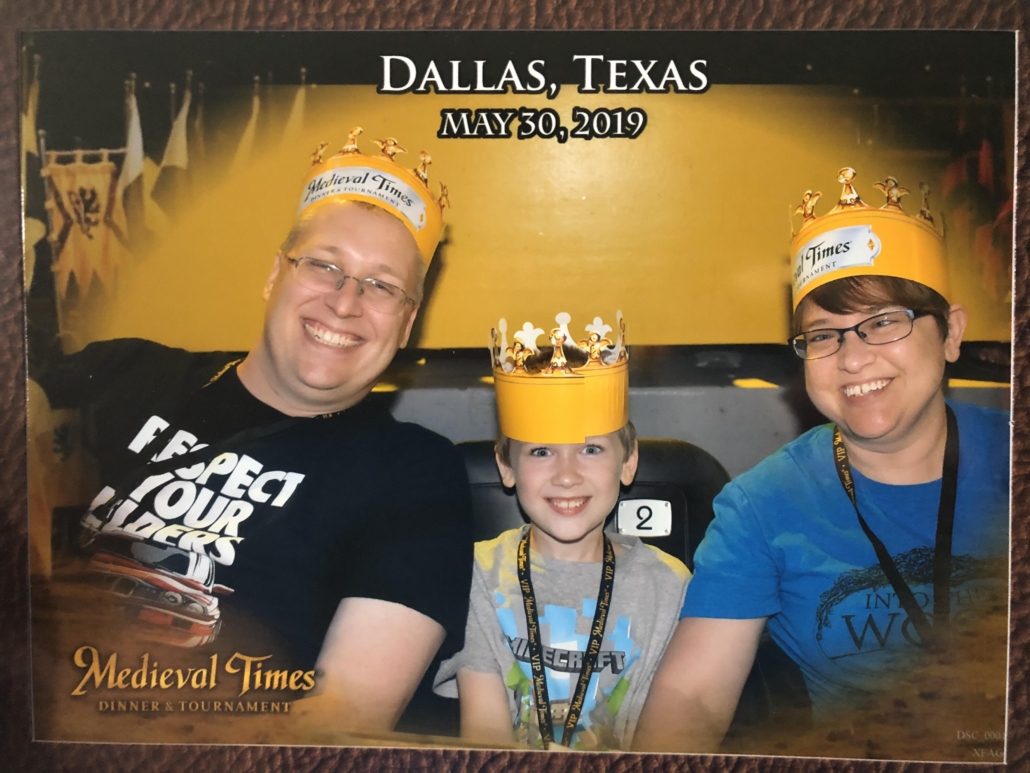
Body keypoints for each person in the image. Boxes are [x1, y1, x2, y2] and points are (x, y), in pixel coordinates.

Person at [32, 131, 473, 736]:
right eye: (325, 265)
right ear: (274, 274)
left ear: (406, 323)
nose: (346, 302)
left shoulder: (414, 474)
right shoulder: (128, 372)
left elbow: (341, 718)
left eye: (382, 286)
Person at [634, 168, 1009, 756]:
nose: (853, 358)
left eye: (883, 321)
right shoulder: (763, 505)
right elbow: (693, 699)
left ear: (952, 333)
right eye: (823, 336)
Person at [434, 312, 690, 751]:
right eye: (541, 451)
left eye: (591, 449)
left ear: (628, 463)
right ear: (506, 467)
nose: (567, 475)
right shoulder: (476, 575)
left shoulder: (668, 587)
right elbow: (485, 739)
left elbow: (668, 743)